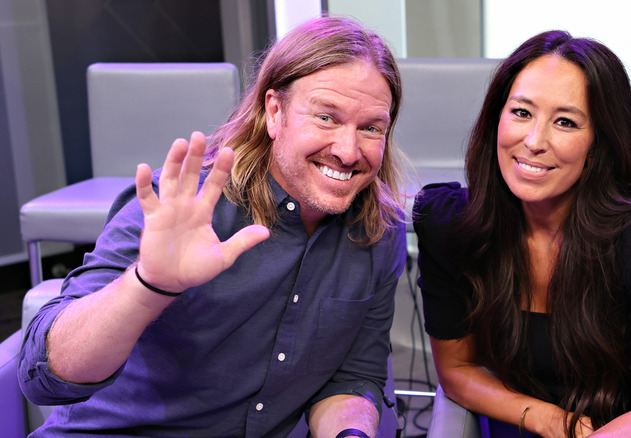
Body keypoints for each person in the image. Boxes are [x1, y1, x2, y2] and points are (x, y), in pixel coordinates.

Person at [19, 16, 407, 438]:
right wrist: (148, 285)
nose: (349, 151)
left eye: (371, 128)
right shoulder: (182, 209)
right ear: (274, 112)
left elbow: (352, 376)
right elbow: (44, 377)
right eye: (327, 118)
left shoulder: (379, 229)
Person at [413, 30, 631, 438]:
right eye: (521, 113)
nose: (533, 141)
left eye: (565, 122)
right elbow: (457, 370)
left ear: (598, 145)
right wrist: (550, 420)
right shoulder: (450, 226)